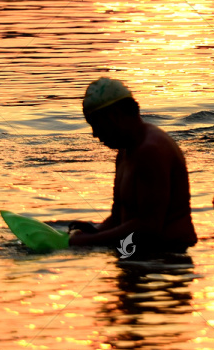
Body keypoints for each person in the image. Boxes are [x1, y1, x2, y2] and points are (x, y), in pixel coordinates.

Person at [67, 77, 197, 253]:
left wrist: (86, 242)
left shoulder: (151, 151)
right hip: (138, 253)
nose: (95, 134)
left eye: (96, 125)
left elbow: (149, 226)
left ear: (115, 117)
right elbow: (118, 218)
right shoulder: (125, 151)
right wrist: (93, 231)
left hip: (167, 261)